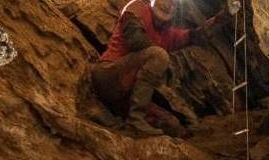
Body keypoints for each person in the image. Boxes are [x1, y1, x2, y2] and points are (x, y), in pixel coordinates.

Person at [90, 0, 222, 136]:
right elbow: (135, 39)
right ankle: (135, 121)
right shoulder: (137, 7)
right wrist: (160, 62)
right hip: (108, 76)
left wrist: (220, 19)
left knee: (172, 124)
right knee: (159, 55)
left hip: (124, 96)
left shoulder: (167, 34)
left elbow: (194, 36)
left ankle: (124, 120)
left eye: (173, 3)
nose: (169, 5)